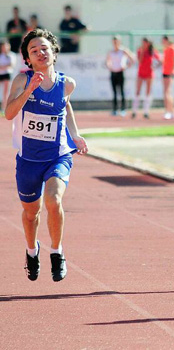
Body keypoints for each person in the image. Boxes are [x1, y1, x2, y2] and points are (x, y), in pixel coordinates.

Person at [4, 29, 88, 282]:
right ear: (27, 59)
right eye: (33, 51)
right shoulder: (21, 79)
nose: (40, 53)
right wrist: (29, 90)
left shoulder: (67, 83)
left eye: (44, 48)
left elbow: (66, 104)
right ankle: (32, 251)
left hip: (57, 156)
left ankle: (57, 252)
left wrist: (75, 134)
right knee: (31, 214)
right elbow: (8, 113)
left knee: (53, 200)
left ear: (53, 52)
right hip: (29, 160)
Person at [105, 35, 135, 116]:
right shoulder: (111, 51)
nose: (115, 43)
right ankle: (115, 109)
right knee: (114, 92)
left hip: (120, 72)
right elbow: (107, 61)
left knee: (121, 91)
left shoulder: (123, 51)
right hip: (113, 72)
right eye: (114, 41)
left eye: (116, 41)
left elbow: (132, 58)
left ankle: (123, 109)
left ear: (119, 42)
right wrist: (109, 66)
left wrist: (126, 66)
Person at [133, 38, 161, 119]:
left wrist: (154, 67)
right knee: (138, 91)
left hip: (149, 74)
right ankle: (134, 111)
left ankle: (146, 111)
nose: (144, 44)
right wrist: (142, 51)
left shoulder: (152, 51)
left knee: (148, 92)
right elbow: (140, 61)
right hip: (141, 74)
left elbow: (160, 60)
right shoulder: (140, 51)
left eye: (145, 43)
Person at [161, 35, 174, 120]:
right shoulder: (166, 49)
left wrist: (172, 72)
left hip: (169, 73)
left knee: (167, 92)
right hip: (165, 72)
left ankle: (170, 111)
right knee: (166, 92)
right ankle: (170, 111)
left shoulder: (172, 48)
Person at [0, 40, 16, 113]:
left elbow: (11, 65)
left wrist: (3, 66)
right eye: (3, 46)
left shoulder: (11, 55)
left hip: (7, 74)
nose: (4, 48)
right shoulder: (1, 55)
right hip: (1, 74)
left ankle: (4, 108)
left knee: (6, 92)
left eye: (6, 46)